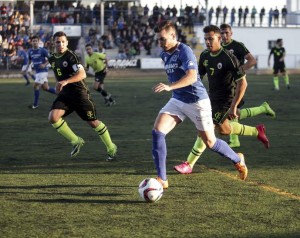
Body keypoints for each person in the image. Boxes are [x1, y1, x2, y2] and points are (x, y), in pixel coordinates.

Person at [152, 21, 248, 189]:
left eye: (162, 39)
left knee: (210, 142)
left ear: (173, 36)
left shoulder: (185, 51)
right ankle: (162, 179)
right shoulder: (164, 53)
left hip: (197, 101)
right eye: (158, 40)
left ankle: (238, 159)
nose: (160, 43)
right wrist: (173, 89)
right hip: (178, 100)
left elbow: (191, 77)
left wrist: (170, 86)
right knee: (157, 132)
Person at [174, 25, 269, 175]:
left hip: (226, 99)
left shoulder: (228, 58)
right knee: (224, 130)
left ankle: (189, 164)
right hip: (210, 98)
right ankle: (256, 131)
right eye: (205, 39)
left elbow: (243, 83)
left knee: (206, 129)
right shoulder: (205, 56)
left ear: (219, 39)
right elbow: (197, 77)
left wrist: (234, 105)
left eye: (210, 39)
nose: (207, 42)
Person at [48, 31, 117, 160]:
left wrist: (65, 81)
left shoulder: (71, 56)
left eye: (63, 42)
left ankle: (111, 147)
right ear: (54, 43)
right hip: (66, 95)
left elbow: (82, 74)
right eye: (58, 42)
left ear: (67, 43)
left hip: (80, 94)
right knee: (53, 117)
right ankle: (76, 141)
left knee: (93, 123)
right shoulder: (52, 58)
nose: (61, 44)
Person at [220, 23, 275, 148]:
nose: (224, 35)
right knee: (235, 112)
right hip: (224, 84)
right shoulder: (219, 48)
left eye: (226, 32)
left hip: (236, 84)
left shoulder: (238, 46)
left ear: (231, 33)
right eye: (222, 33)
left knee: (230, 111)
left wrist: (240, 70)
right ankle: (263, 109)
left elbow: (252, 60)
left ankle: (234, 140)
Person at [27, 35, 56, 109]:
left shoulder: (43, 50)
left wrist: (44, 64)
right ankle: (61, 94)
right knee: (46, 88)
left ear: (38, 41)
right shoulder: (30, 51)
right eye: (33, 41)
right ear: (31, 42)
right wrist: (27, 67)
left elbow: (50, 58)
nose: (34, 42)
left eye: (36, 41)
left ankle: (35, 104)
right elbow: (30, 60)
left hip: (43, 71)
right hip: (38, 72)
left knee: (35, 86)